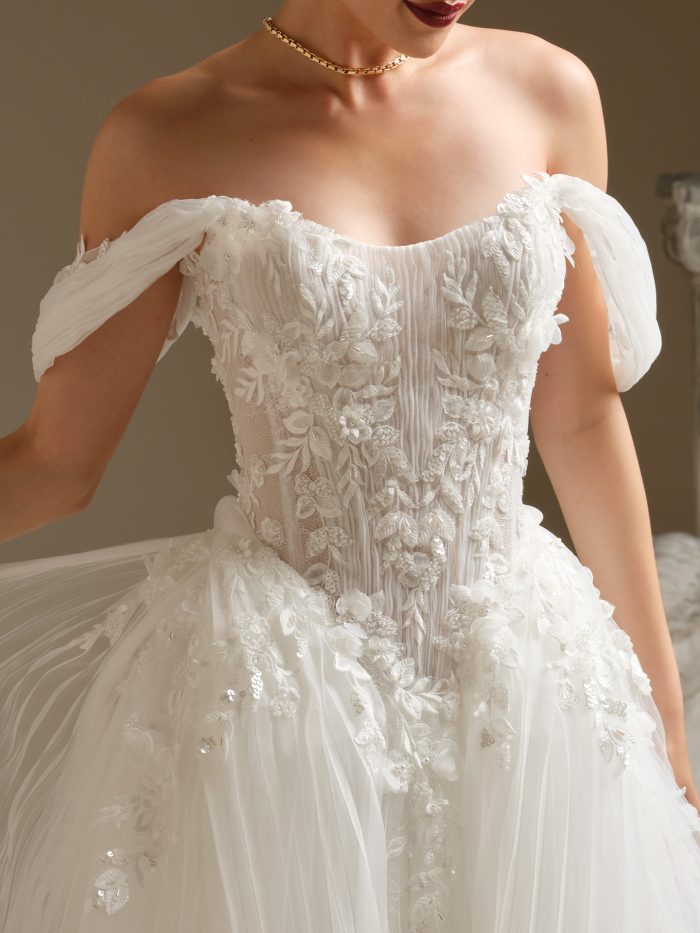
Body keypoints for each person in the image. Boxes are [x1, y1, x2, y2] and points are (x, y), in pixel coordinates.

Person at [1, 2, 700, 930]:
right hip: (281, 705)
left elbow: (578, 415)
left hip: (524, 689)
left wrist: (667, 725)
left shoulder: (550, 92)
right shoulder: (168, 132)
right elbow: (57, 463)